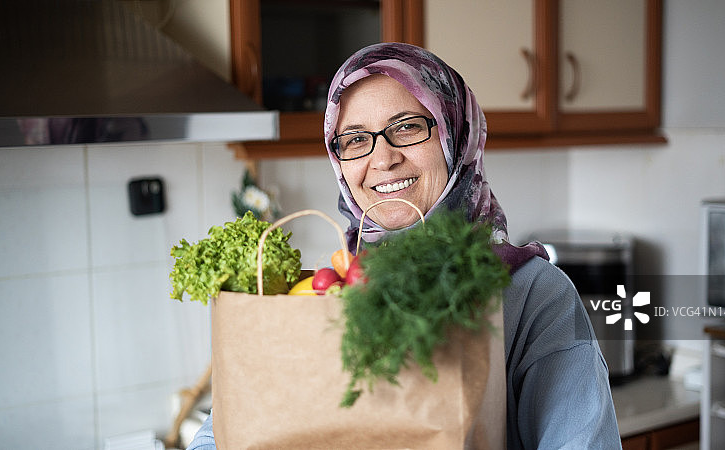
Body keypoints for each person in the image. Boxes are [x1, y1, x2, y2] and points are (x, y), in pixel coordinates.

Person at [187, 42, 621, 449]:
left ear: (456, 136)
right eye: (355, 139)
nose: (382, 158)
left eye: (408, 127)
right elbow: (222, 432)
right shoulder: (322, 291)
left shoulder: (533, 294)